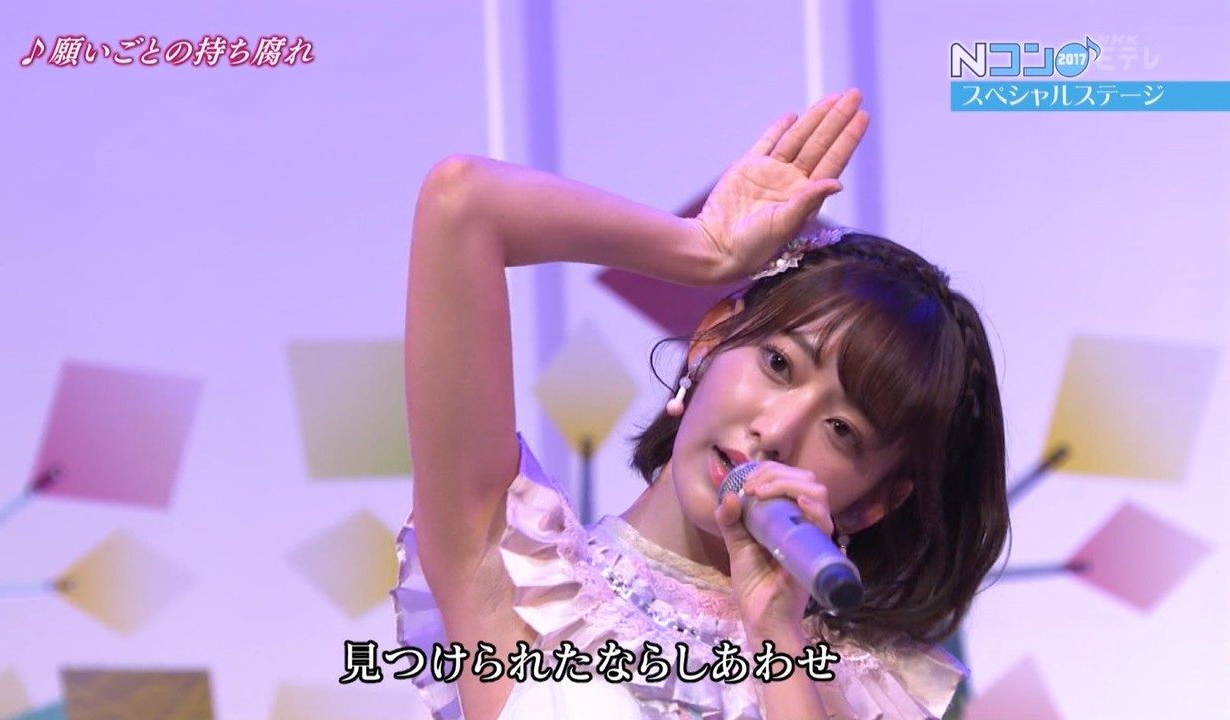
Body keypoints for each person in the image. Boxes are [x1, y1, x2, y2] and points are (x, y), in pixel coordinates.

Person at [393, 90, 1010, 720]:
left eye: (842, 429)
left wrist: (777, 637)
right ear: (710, 339)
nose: (777, 431)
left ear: (875, 501)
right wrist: (703, 248)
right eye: (779, 365)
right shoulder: (519, 571)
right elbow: (463, 203)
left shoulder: (862, 692)